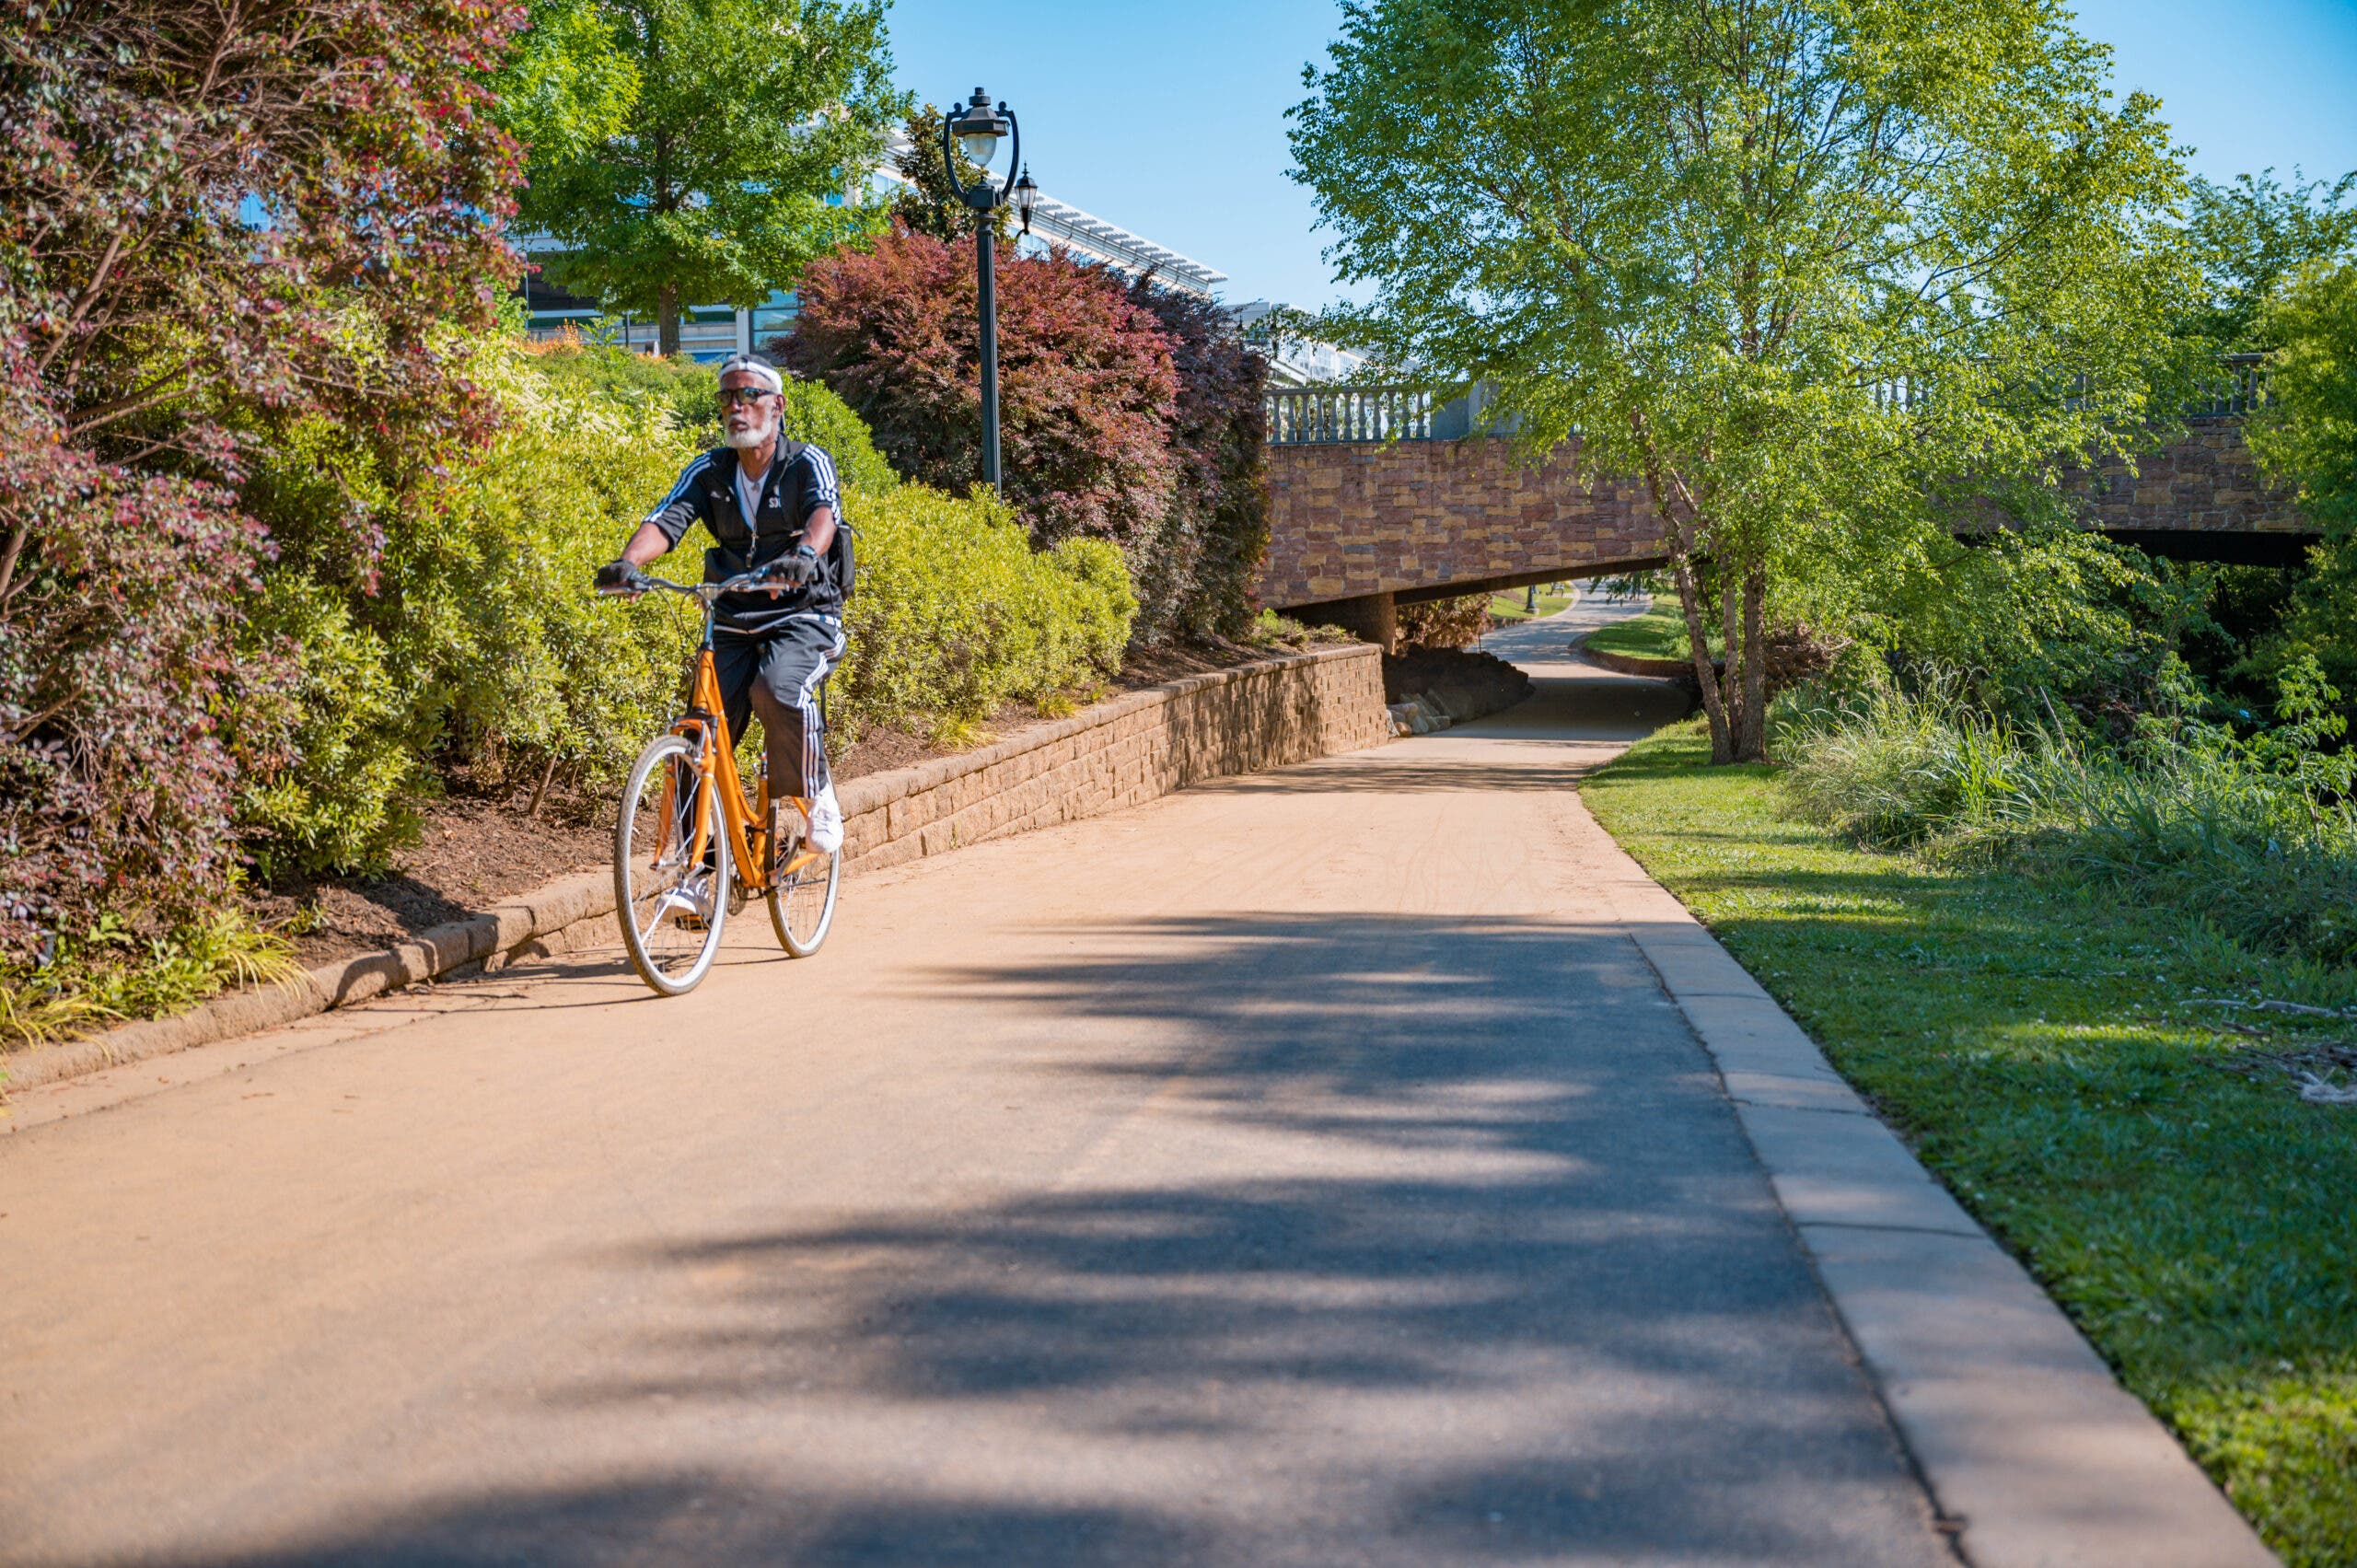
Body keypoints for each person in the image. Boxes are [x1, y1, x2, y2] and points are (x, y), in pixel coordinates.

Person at [595, 352, 847, 859]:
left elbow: (824, 513)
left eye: (749, 395)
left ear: (777, 406)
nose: (737, 406)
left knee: (777, 687)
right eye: (728, 396)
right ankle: (698, 868)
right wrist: (628, 563)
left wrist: (802, 554)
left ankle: (816, 791)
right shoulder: (711, 469)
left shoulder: (805, 461)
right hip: (732, 616)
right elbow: (665, 522)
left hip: (802, 614)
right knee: (700, 734)